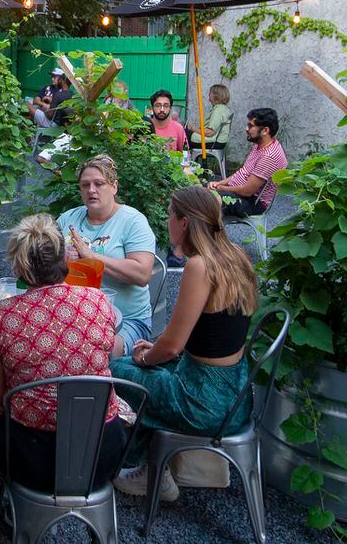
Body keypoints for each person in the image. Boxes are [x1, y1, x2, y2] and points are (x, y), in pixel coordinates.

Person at [0, 213, 130, 544]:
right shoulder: (99, 303)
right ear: (64, 258)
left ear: (19, 267)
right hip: (104, 451)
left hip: (32, 456)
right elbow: (107, 353)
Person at [110, 187, 259, 504]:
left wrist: (147, 356)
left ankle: (142, 468)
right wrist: (156, 350)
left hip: (202, 401)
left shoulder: (199, 266)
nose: (167, 221)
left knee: (115, 370)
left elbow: (172, 347)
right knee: (142, 369)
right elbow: (209, 333)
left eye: (169, 214)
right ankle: (150, 466)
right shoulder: (235, 258)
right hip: (236, 393)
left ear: (185, 222)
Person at [55, 155, 157, 357]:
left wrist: (92, 257)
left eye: (99, 184)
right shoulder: (68, 219)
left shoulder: (133, 221)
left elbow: (142, 273)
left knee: (94, 351)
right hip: (70, 316)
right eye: (85, 185)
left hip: (126, 321)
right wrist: (61, 259)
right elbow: (44, 268)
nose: (91, 190)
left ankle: (102, 389)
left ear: (114, 187)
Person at [208, 108, 287, 219]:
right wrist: (218, 183)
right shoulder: (260, 145)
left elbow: (247, 191)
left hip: (252, 203)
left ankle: (207, 234)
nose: (246, 129)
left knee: (205, 199)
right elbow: (242, 172)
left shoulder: (269, 156)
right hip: (240, 193)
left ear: (265, 131)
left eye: (250, 126)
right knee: (196, 187)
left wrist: (221, 188)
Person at [188, 83, 232, 151]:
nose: (208, 94)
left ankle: (181, 159)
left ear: (216, 96)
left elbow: (209, 133)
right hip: (219, 141)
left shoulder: (218, 111)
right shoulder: (223, 108)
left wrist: (193, 128)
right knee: (186, 133)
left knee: (183, 134)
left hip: (214, 142)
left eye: (210, 92)